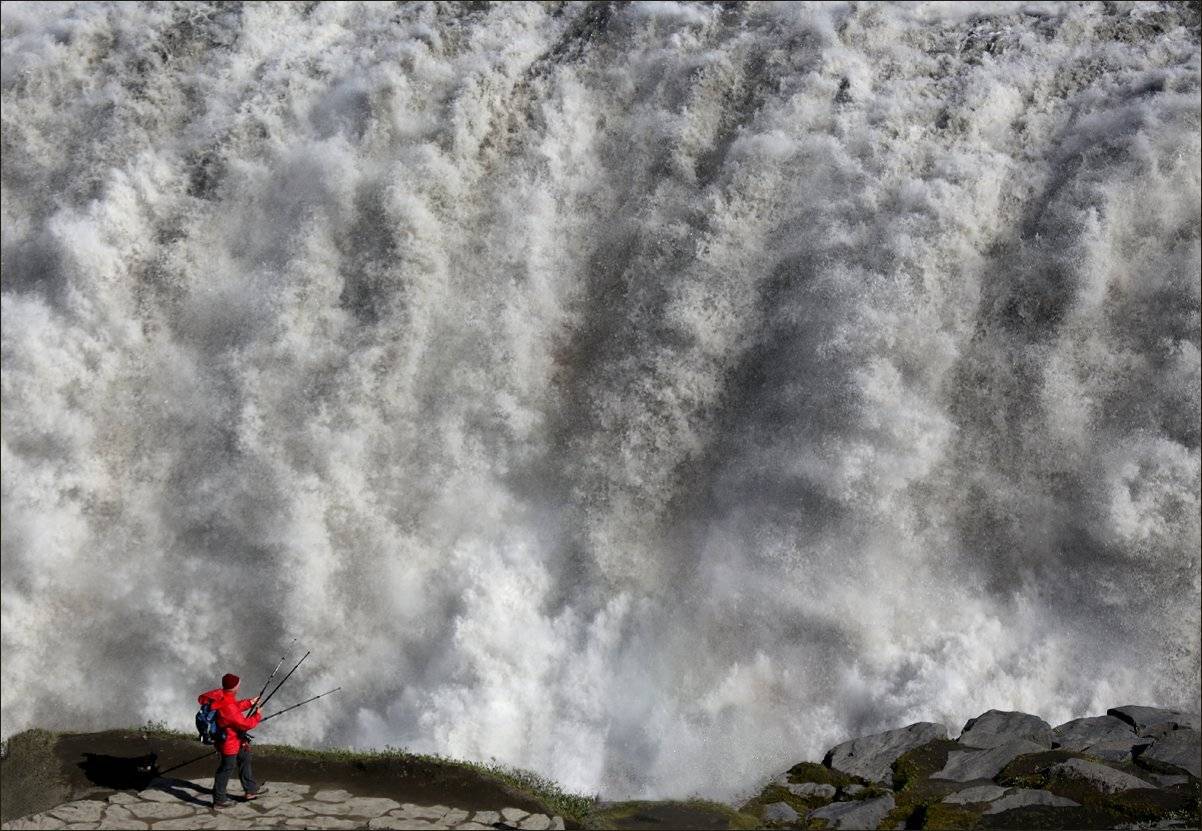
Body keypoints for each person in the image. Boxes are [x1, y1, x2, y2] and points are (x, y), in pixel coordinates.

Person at [197, 673, 270, 808]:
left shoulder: (222, 695)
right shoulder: (228, 705)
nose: (239, 685)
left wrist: (249, 703)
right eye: (238, 684)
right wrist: (257, 715)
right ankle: (219, 800)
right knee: (226, 768)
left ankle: (250, 790)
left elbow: (233, 707)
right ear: (235, 686)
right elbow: (244, 724)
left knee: (245, 757)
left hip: (235, 739)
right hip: (229, 742)